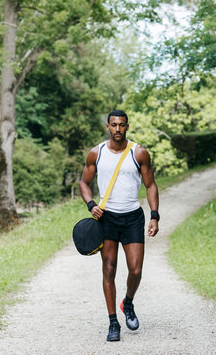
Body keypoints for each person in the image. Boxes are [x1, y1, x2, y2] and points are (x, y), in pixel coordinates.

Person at [79, 109, 160, 342]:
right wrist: (90, 204)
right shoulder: (96, 153)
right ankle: (113, 322)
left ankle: (128, 302)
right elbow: (84, 183)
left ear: (127, 126)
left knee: (135, 269)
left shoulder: (139, 153)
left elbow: (151, 185)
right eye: (113, 125)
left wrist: (154, 215)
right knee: (109, 268)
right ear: (108, 127)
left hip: (133, 216)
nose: (117, 129)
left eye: (122, 125)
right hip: (107, 218)